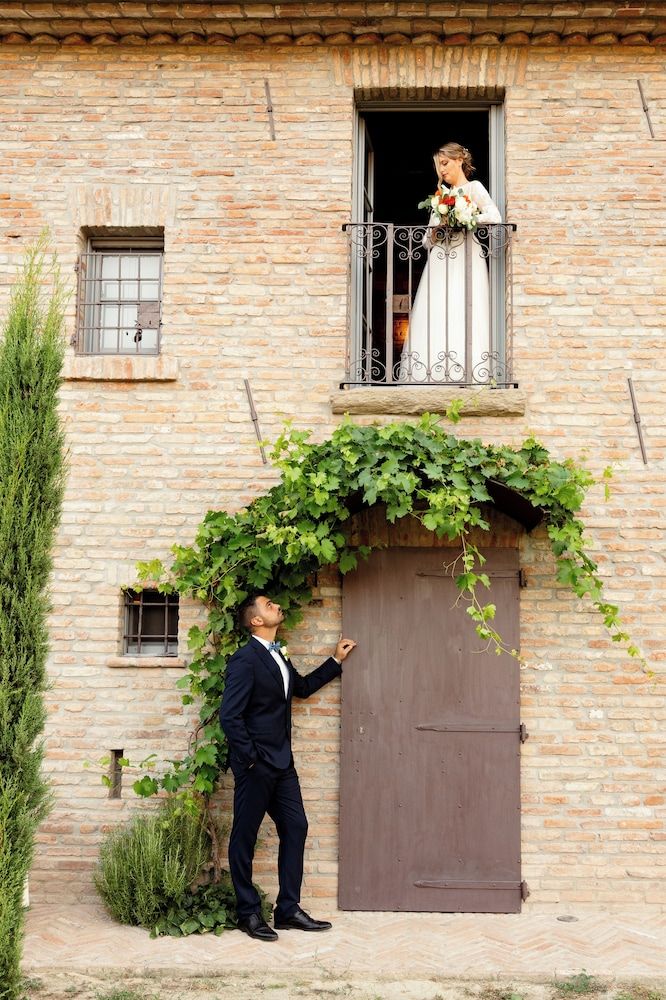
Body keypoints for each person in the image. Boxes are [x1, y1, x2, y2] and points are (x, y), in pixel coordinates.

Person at [219, 593, 357, 941]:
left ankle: (288, 910)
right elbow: (229, 716)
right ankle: (248, 913)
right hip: (256, 766)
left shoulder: (278, 654)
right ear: (256, 620)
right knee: (244, 838)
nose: (277, 606)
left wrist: (334, 660)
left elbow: (302, 689)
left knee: (296, 826)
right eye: (268, 605)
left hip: (283, 764)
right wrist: (250, 758)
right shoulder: (244, 659)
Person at [400, 142, 501, 384]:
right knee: (437, 308)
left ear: (459, 160)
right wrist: (440, 226)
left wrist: (466, 217)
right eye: (438, 167)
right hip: (441, 259)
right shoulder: (440, 198)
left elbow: (495, 216)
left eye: (444, 164)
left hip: (466, 254)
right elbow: (426, 240)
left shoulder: (474, 188)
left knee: (465, 305)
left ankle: (469, 374)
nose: (441, 171)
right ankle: (432, 374)